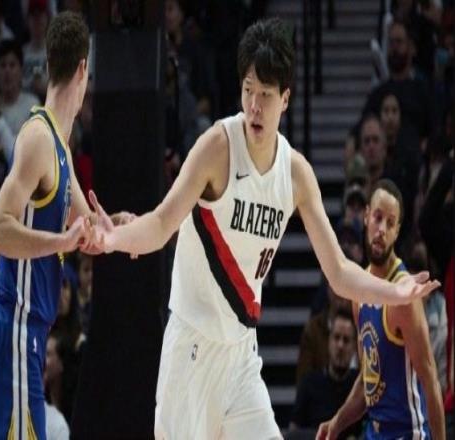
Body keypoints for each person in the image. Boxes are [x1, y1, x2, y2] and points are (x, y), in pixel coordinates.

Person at [90, 18, 440, 439]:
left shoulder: (295, 174)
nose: (254, 106)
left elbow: (339, 271)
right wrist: (112, 238)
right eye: (248, 90)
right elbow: (162, 223)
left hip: (241, 355)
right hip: (193, 349)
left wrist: (395, 292)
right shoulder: (217, 146)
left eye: (266, 95)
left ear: (286, 99)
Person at [0, 11, 97, 440]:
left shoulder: (60, 144)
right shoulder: (38, 138)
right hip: (14, 325)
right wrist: (61, 240)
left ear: (47, 64)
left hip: (27, 335)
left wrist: (122, 226)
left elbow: (88, 226)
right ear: (82, 69)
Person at [317, 179, 445, 440]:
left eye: (390, 223)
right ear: (366, 217)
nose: (381, 230)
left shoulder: (403, 295)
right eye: (377, 218)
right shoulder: (359, 291)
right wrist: (337, 422)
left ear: (397, 232)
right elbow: (369, 378)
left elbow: (430, 379)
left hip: (407, 433)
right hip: (374, 433)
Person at [290, 309, 361, 439]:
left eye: (346, 340)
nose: (340, 345)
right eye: (336, 337)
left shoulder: (360, 386)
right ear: (329, 341)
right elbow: (294, 433)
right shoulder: (309, 383)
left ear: (355, 347)